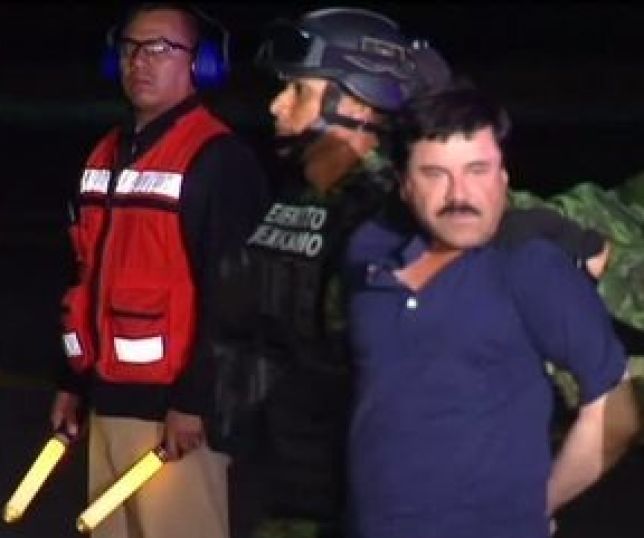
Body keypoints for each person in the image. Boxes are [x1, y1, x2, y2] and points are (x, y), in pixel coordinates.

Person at [234, 7, 612, 538]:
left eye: (298, 90)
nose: (276, 104)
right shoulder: (309, 199)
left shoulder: (412, 210)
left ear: (360, 102)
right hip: (301, 492)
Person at [343, 87, 640, 538]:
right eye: (435, 174)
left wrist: (534, 508)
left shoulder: (530, 265)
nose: (459, 194)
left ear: (503, 178)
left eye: (477, 170)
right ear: (404, 184)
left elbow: (616, 412)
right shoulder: (368, 255)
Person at [49, 4, 268, 538]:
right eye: (130, 48)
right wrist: (72, 382)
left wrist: (195, 403)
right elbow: (85, 277)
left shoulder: (220, 159)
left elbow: (235, 298)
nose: (140, 61)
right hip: (106, 403)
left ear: (202, 63)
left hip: (174, 419)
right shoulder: (104, 154)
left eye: (161, 48)